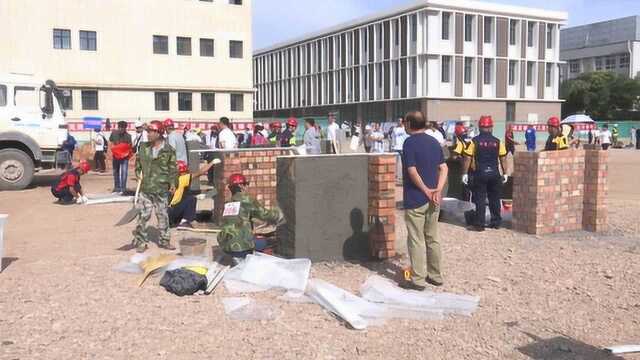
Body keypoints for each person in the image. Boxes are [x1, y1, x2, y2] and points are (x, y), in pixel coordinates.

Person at [401, 111, 448, 290]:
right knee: (433, 237)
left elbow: (412, 171)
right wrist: (437, 189)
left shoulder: (409, 143)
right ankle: (435, 276)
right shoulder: (434, 142)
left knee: (416, 238)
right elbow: (443, 168)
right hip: (434, 199)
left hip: (416, 197)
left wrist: (426, 190)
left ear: (410, 124)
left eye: (405, 122)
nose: (404, 124)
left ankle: (418, 279)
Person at [131, 120, 177, 253]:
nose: (148, 134)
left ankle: (164, 240)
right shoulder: (143, 147)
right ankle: (141, 241)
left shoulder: (169, 150)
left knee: (162, 215)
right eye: (148, 131)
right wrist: (138, 172)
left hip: (161, 188)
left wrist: (173, 183)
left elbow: (173, 168)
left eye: (151, 132)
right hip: (146, 188)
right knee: (143, 215)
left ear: (159, 133)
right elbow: (138, 163)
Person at [218, 173, 281, 259]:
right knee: (271, 242)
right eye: (246, 184)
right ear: (241, 186)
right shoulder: (247, 200)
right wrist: (281, 214)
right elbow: (265, 214)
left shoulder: (228, 203)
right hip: (241, 247)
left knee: (256, 237)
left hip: (225, 245)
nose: (247, 187)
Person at [462, 116, 508, 232]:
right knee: (495, 198)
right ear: (491, 127)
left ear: (480, 127)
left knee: (480, 199)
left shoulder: (474, 141)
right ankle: (496, 222)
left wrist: (465, 173)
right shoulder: (498, 141)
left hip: (480, 174)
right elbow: (503, 158)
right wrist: (505, 173)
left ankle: (479, 224)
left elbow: (467, 158)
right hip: (495, 174)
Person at [169, 160, 218, 229]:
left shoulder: (169, 179)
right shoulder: (182, 179)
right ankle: (188, 221)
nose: (187, 173)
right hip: (173, 213)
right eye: (185, 172)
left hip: (167, 215)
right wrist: (212, 163)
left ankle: (179, 221)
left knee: (188, 196)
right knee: (191, 199)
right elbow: (200, 172)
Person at [109, 121, 133, 194]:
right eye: (119, 127)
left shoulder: (128, 136)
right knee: (115, 172)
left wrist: (127, 155)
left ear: (125, 128)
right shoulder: (114, 133)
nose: (120, 129)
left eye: (122, 128)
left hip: (124, 157)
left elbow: (129, 147)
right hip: (115, 156)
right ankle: (117, 188)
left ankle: (123, 189)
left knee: (124, 172)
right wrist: (112, 150)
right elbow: (111, 142)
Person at [392, 117, 409, 182]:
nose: (399, 122)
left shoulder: (405, 129)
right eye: (398, 121)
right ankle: (396, 176)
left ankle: (403, 176)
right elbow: (393, 137)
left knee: (404, 163)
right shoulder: (395, 129)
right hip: (396, 147)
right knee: (395, 163)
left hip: (403, 148)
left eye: (400, 121)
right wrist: (392, 146)